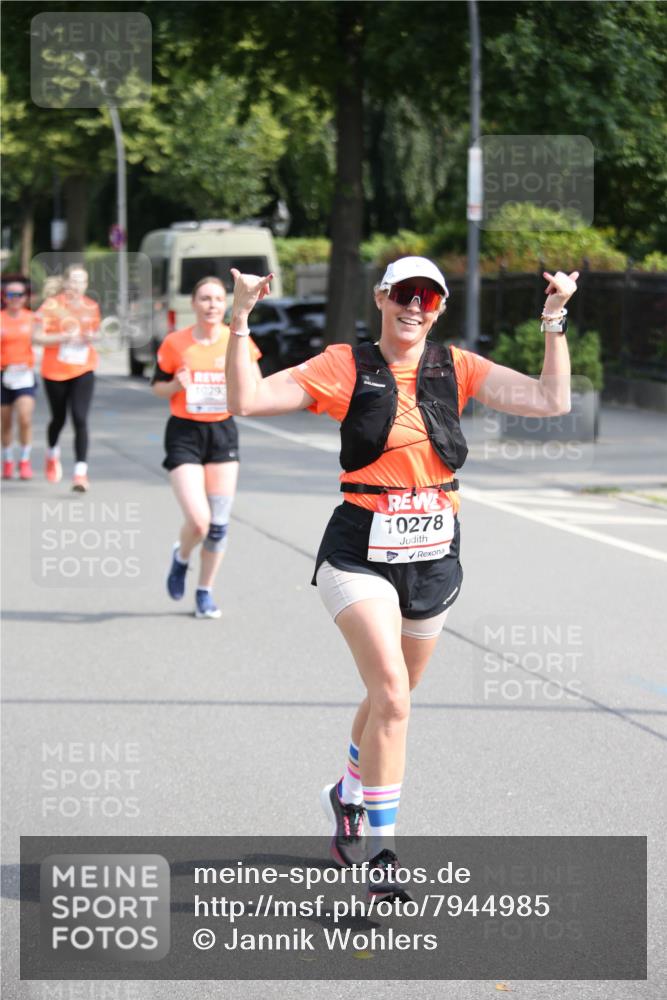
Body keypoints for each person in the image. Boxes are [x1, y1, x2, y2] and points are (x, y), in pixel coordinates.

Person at [225, 256, 577, 900]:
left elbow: (553, 401)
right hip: (359, 548)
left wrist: (553, 320)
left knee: (397, 695)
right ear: (383, 298)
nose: (417, 307)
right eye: (406, 295)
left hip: (434, 553)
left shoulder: (457, 365)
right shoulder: (343, 365)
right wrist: (239, 319)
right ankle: (384, 856)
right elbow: (244, 399)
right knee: (390, 693)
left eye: (431, 299)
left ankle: (347, 792)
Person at [152, 276, 262, 619]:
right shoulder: (176, 343)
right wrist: (175, 384)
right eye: (204, 298)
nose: (212, 305)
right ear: (194, 304)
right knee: (198, 522)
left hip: (222, 434)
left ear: (225, 304)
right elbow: (157, 387)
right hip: (184, 433)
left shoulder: (238, 340)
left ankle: (204, 591)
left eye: (217, 299)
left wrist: (239, 381)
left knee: (218, 525)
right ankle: (181, 557)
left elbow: (257, 385)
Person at [33, 265, 100, 491]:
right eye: (73, 281)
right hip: (55, 371)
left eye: (82, 281)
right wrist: (62, 336)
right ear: (65, 282)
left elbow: (96, 334)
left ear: (87, 284)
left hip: (83, 368)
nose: (77, 286)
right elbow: (37, 337)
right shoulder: (52, 306)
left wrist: (93, 336)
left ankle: (80, 473)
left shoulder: (92, 307)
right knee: (58, 419)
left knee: (80, 418)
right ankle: (52, 454)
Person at [1, 280, 36, 480]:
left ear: (25, 297)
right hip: (3, 374)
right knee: (5, 422)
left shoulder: (32, 319)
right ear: (4, 297)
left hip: (24, 375)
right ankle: (7, 459)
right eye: (11, 295)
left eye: (19, 295)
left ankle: (24, 460)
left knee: (25, 418)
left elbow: (44, 338)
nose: (15, 299)